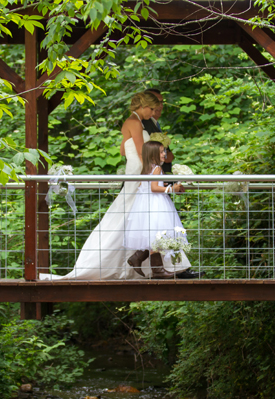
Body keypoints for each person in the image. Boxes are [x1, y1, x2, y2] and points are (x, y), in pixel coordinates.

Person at [40, 91, 191, 280]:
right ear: (142, 106)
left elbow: (123, 149)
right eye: (151, 108)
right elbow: (141, 151)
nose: (153, 112)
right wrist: (160, 153)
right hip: (139, 174)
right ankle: (137, 263)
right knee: (136, 216)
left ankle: (148, 262)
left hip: (136, 170)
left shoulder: (129, 122)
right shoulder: (135, 122)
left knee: (139, 218)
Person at [139, 88, 204, 279]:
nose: (160, 106)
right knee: (166, 232)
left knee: (164, 234)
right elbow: (165, 162)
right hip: (158, 196)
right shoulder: (144, 126)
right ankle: (176, 269)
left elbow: (168, 157)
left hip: (158, 193)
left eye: (161, 102)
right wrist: (170, 186)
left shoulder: (155, 126)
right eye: (156, 103)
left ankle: (174, 268)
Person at [124, 141, 186, 279]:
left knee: (155, 237)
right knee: (158, 238)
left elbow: (148, 185)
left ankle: (137, 258)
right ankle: (157, 271)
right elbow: (154, 188)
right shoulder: (157, 168)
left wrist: (168, 185)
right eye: (162, 152)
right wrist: (171, 189)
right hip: (156, 203)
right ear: (153, 156)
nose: (165, 154)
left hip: (146, 203)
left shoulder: (146, 168)